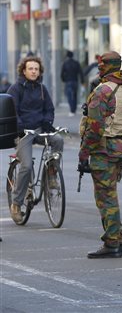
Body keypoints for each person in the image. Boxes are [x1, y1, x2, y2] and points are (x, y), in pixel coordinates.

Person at [79, 51, 122, 258]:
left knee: (106, 199)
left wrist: (84, 153)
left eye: (101, 64)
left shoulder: (103, 90)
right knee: (111, 195)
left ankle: (112, 243)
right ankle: (119, 241)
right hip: (119, 146)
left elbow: (94, 127)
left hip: (103, 149)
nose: (99, 67)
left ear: (108, 65)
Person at [7, 56, 64, 222]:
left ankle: (52, 174)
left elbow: (49, 109)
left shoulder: (41, 89)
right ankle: (16, 204)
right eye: (30, 69)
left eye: (36, 69)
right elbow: (12, 111)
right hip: (22, 132)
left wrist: (48, 122)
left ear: (40, 72)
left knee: (58, 139)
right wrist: (18, 126)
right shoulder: (15, 89)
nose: (33, 71)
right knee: (26, 166)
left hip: (39, 129)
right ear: (23, 71)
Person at [60, 50, 84, 116]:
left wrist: (63, 80)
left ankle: (71, 110)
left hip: (68, 81)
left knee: (69, 96)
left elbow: (62, 73)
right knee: (75, 95)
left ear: (67, 56)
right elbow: (80, 72)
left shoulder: (65, 63)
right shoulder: (76, 63)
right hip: (75, 81)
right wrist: (82, 80)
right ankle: (74, 109)